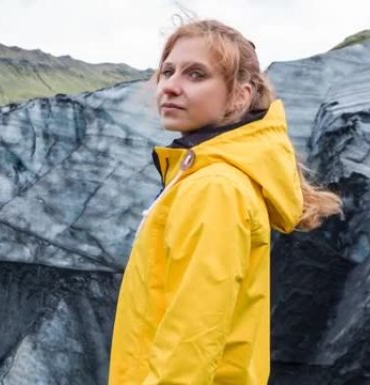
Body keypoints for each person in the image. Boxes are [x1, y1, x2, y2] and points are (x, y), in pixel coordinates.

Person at [108, 18, 343, 385]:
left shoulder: (216, 187)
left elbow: (193, 335)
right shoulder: (207, 177)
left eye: (196, 75)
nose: (170, 86)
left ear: (240, 95)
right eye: (167, 71)